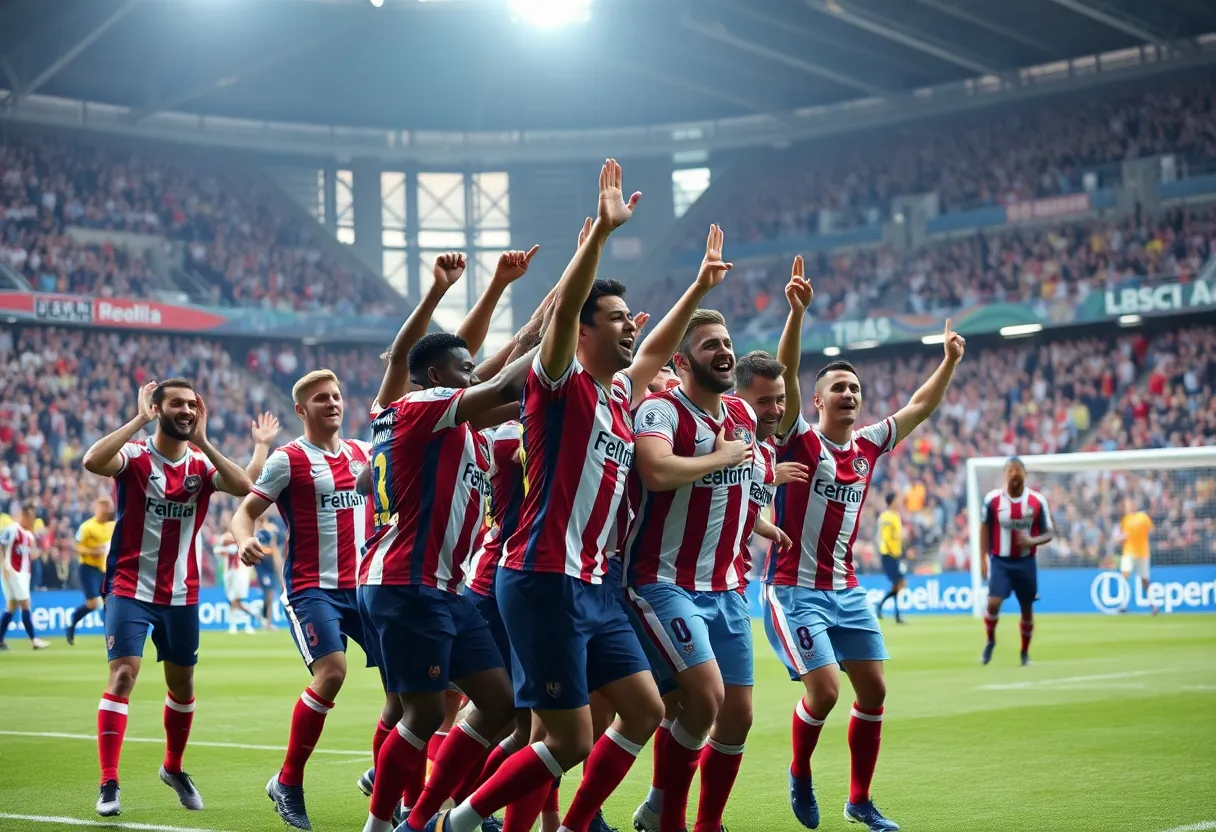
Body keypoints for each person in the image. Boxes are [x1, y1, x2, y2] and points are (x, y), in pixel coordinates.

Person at [429, 160, 727, 832]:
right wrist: (597, 241)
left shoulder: (622, 393)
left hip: (598, 586)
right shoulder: (559, 382)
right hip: (543, 577)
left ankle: (565, 822)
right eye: (615, 319)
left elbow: (655, 350)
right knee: (563, 738)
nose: (629, 328)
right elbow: (563, 316)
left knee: (647, 710)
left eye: (631, 319)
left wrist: (699, 288)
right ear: (584, 332)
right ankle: (462, 818)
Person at [764, 256, 965, 832]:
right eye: (838, 388)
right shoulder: (799, 438)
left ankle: (859, 800)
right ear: (817, 400)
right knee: (824, 693)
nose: (849, 394)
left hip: (847, 590)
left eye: (855, 387)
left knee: (874, 690)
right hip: (793, 589)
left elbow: (921, 407)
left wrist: (947, 361)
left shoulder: (871, 444)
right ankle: (800, 771)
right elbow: (786, 370)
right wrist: (796, 315)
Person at [358, 323, 542, 832]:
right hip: (406, 583)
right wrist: (563, 332)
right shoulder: (422, 409)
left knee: (500, 703)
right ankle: (382, 825)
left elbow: (520, 389)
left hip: (447, 588)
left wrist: (541, 329)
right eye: (463, 368)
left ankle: (423, 819)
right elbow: (505, 384)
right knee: (420, 713)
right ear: (435, 377)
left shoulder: (456, 426)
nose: (473, 373)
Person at [81, 378, 253, 818]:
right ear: (158, 409)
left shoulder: (200, 465)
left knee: (183, 685)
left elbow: (242, 487)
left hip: (181, 593)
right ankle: (108, 781)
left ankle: (173, 767)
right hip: (129, 587)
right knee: (123, 676)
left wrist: (207, 441)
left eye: (192, 405)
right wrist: (139, 419)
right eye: (176, 403)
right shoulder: (136, 457)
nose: (186, 410)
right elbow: (93, 460)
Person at [625, 304, 759, 832]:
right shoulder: (660, 411)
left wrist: (763, 521)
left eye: (726, 342)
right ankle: (670, 821)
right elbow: (655, 471)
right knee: (703, 698)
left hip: (727, 587)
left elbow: (746, 491)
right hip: (663, 581)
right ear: (681, 361)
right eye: (710, 345)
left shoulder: (744, 416)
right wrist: (721, 458)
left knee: (737, 716)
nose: (725, 351)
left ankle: (683, 816)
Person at [229, 370, 376, 831]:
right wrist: (243, 540)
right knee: (332, 673)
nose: (332, 403)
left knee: (409, 689)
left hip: (368, 586)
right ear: (301, 410)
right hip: (313, 589)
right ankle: (288, 782)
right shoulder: (287, 460)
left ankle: (388, 777)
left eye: (336, 395)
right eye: (320, 398)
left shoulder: (362, 453)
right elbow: (244, 512)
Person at [979, 457, 1053, 666]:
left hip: (1026, 563)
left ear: (1024, 474)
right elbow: (984, 528)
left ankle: (1024, 653)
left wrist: (1032, 541)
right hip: (1000, 562)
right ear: (1004, 474)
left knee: (1027, 608)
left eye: (1017, 470)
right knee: (993, 604)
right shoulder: (992, 500)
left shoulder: (1037, 501)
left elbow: (1050, 532)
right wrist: (983, 558)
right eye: (1009, 470)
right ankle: (990, 640)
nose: (1013, 474)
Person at [66, 497, 115, 645]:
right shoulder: (86, 527)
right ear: (96, 508)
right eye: (102, 507)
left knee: (110, 603)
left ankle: (111, 637)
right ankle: (72, 622)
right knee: (94, 604)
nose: (105, 510)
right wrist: (94, 551)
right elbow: (75, 547)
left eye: (107, 507)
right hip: (88, 568)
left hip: (105, 569)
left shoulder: (113, 526)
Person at [0, 504, 49, 651]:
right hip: (13, 571)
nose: (33, 521)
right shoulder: (12, 529)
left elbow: (30, 554)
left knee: (11, 606)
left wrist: (37, 553)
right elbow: (1, 546)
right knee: (25, 604)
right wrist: (4, 566)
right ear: (25, 517)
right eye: (32, 518)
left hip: (24, 574)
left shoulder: (28, 534)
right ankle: (34, 640)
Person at [1116, 497, 1155, 615]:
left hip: (1142, 552)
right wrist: (1121, 539)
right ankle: (1123, 604)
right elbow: (1122, 536)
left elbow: (1151, 531)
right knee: (1125, 576)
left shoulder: (1143, 517)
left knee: (1145, 579)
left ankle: (1153, 604)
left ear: (1134, 506)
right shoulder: (1125, 519)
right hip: (1129, 552)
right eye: (1126, 506)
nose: (1128, 508)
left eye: (1129, 505)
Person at [215, 531, 256, 635]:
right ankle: (235, 625)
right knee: (232, 599)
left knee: (238, 599)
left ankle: (248, 623)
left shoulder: (243, 542)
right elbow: (218, 550)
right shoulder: (226, 540)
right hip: (229, 572)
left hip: (241, 572)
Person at [874, 494, 906, 624]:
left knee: (897, 585)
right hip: (889, 555)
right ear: (892, 501)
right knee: (900, 583)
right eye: (897, 500)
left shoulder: (895, 515)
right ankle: (881, 606)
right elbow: (885, 537)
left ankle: (895, 614)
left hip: (895, 554)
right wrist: (889, 552)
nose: (899, 502)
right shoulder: (887, 517)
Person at [253, 518, 283, 630]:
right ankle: (267, 621)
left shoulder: (268, 534)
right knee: (269, 594)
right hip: (262, 568)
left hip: (269, 568)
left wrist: (278, 566)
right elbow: (261, 549)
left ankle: (266, 620)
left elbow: (274, 550)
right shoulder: (258, 534)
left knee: (269, 594)